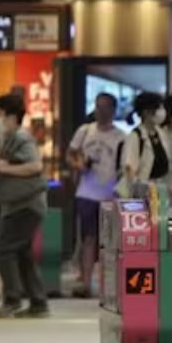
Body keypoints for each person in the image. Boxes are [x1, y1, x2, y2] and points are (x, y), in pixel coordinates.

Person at [0, 94, 49, 318]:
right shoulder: (9, 138)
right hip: (17, 206)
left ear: (12, 117)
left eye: (1, 116)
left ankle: (12, 299)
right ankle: (38, 302)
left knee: (1, 249)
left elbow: (34, 166)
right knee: (22, 254)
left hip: (25, 206)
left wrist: (3, 168)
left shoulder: (22, 138)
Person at [66, 92, 127, 298]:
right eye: (98, 107)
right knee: (88, 238)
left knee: (109, 240)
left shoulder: (121, 137)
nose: (100, 112)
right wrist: (78, 164)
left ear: (113, 110)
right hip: (86, 192)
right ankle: (86, 281)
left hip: (110, 193)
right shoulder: (85, 131)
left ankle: (107, 284)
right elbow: (71, 153)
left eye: (105, 107)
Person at [118, 92, 171, 199]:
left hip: (159, 190)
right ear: (146, 112)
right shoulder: (135, 136)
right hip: (141, 192)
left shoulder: (161, 134)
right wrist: (139, 192)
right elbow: (129, 168)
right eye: (159, 108)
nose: (162, 112)